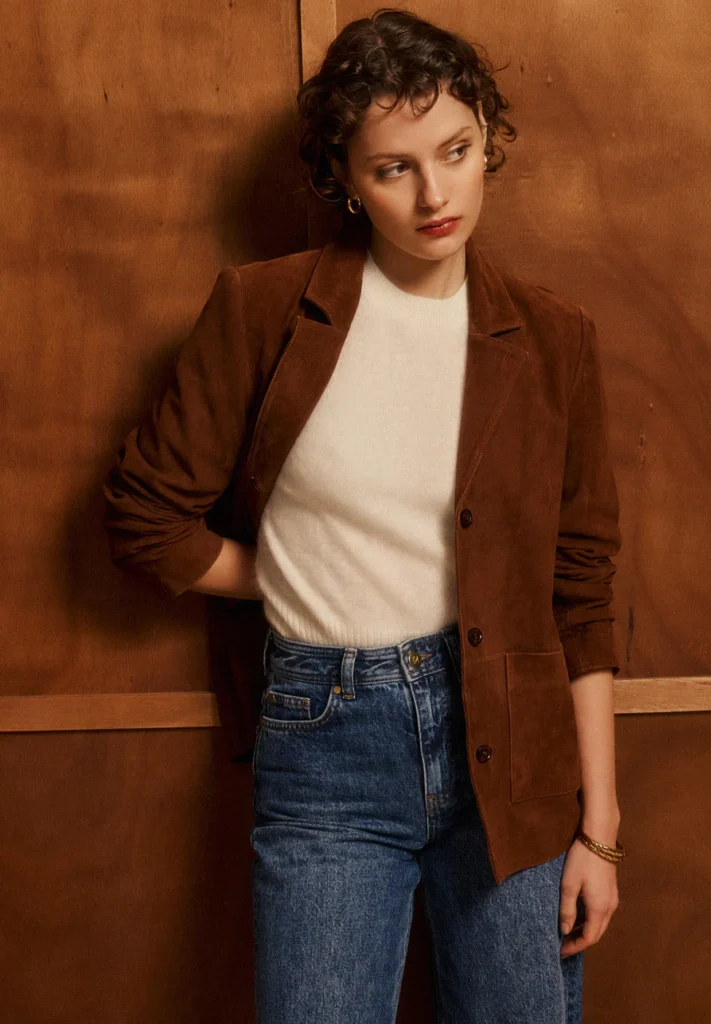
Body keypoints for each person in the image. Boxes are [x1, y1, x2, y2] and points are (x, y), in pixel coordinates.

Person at [103, 8, 626, 1022]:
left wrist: (599, 829)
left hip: (511, 744)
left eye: (456, 152)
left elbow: (583, 586)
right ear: (344, 178)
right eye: (394, 168)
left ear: (488, 138)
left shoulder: (553, 337)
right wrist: (289, 572)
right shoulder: (261, 312)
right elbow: (145, 516)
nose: (436, 195)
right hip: (326, 737)